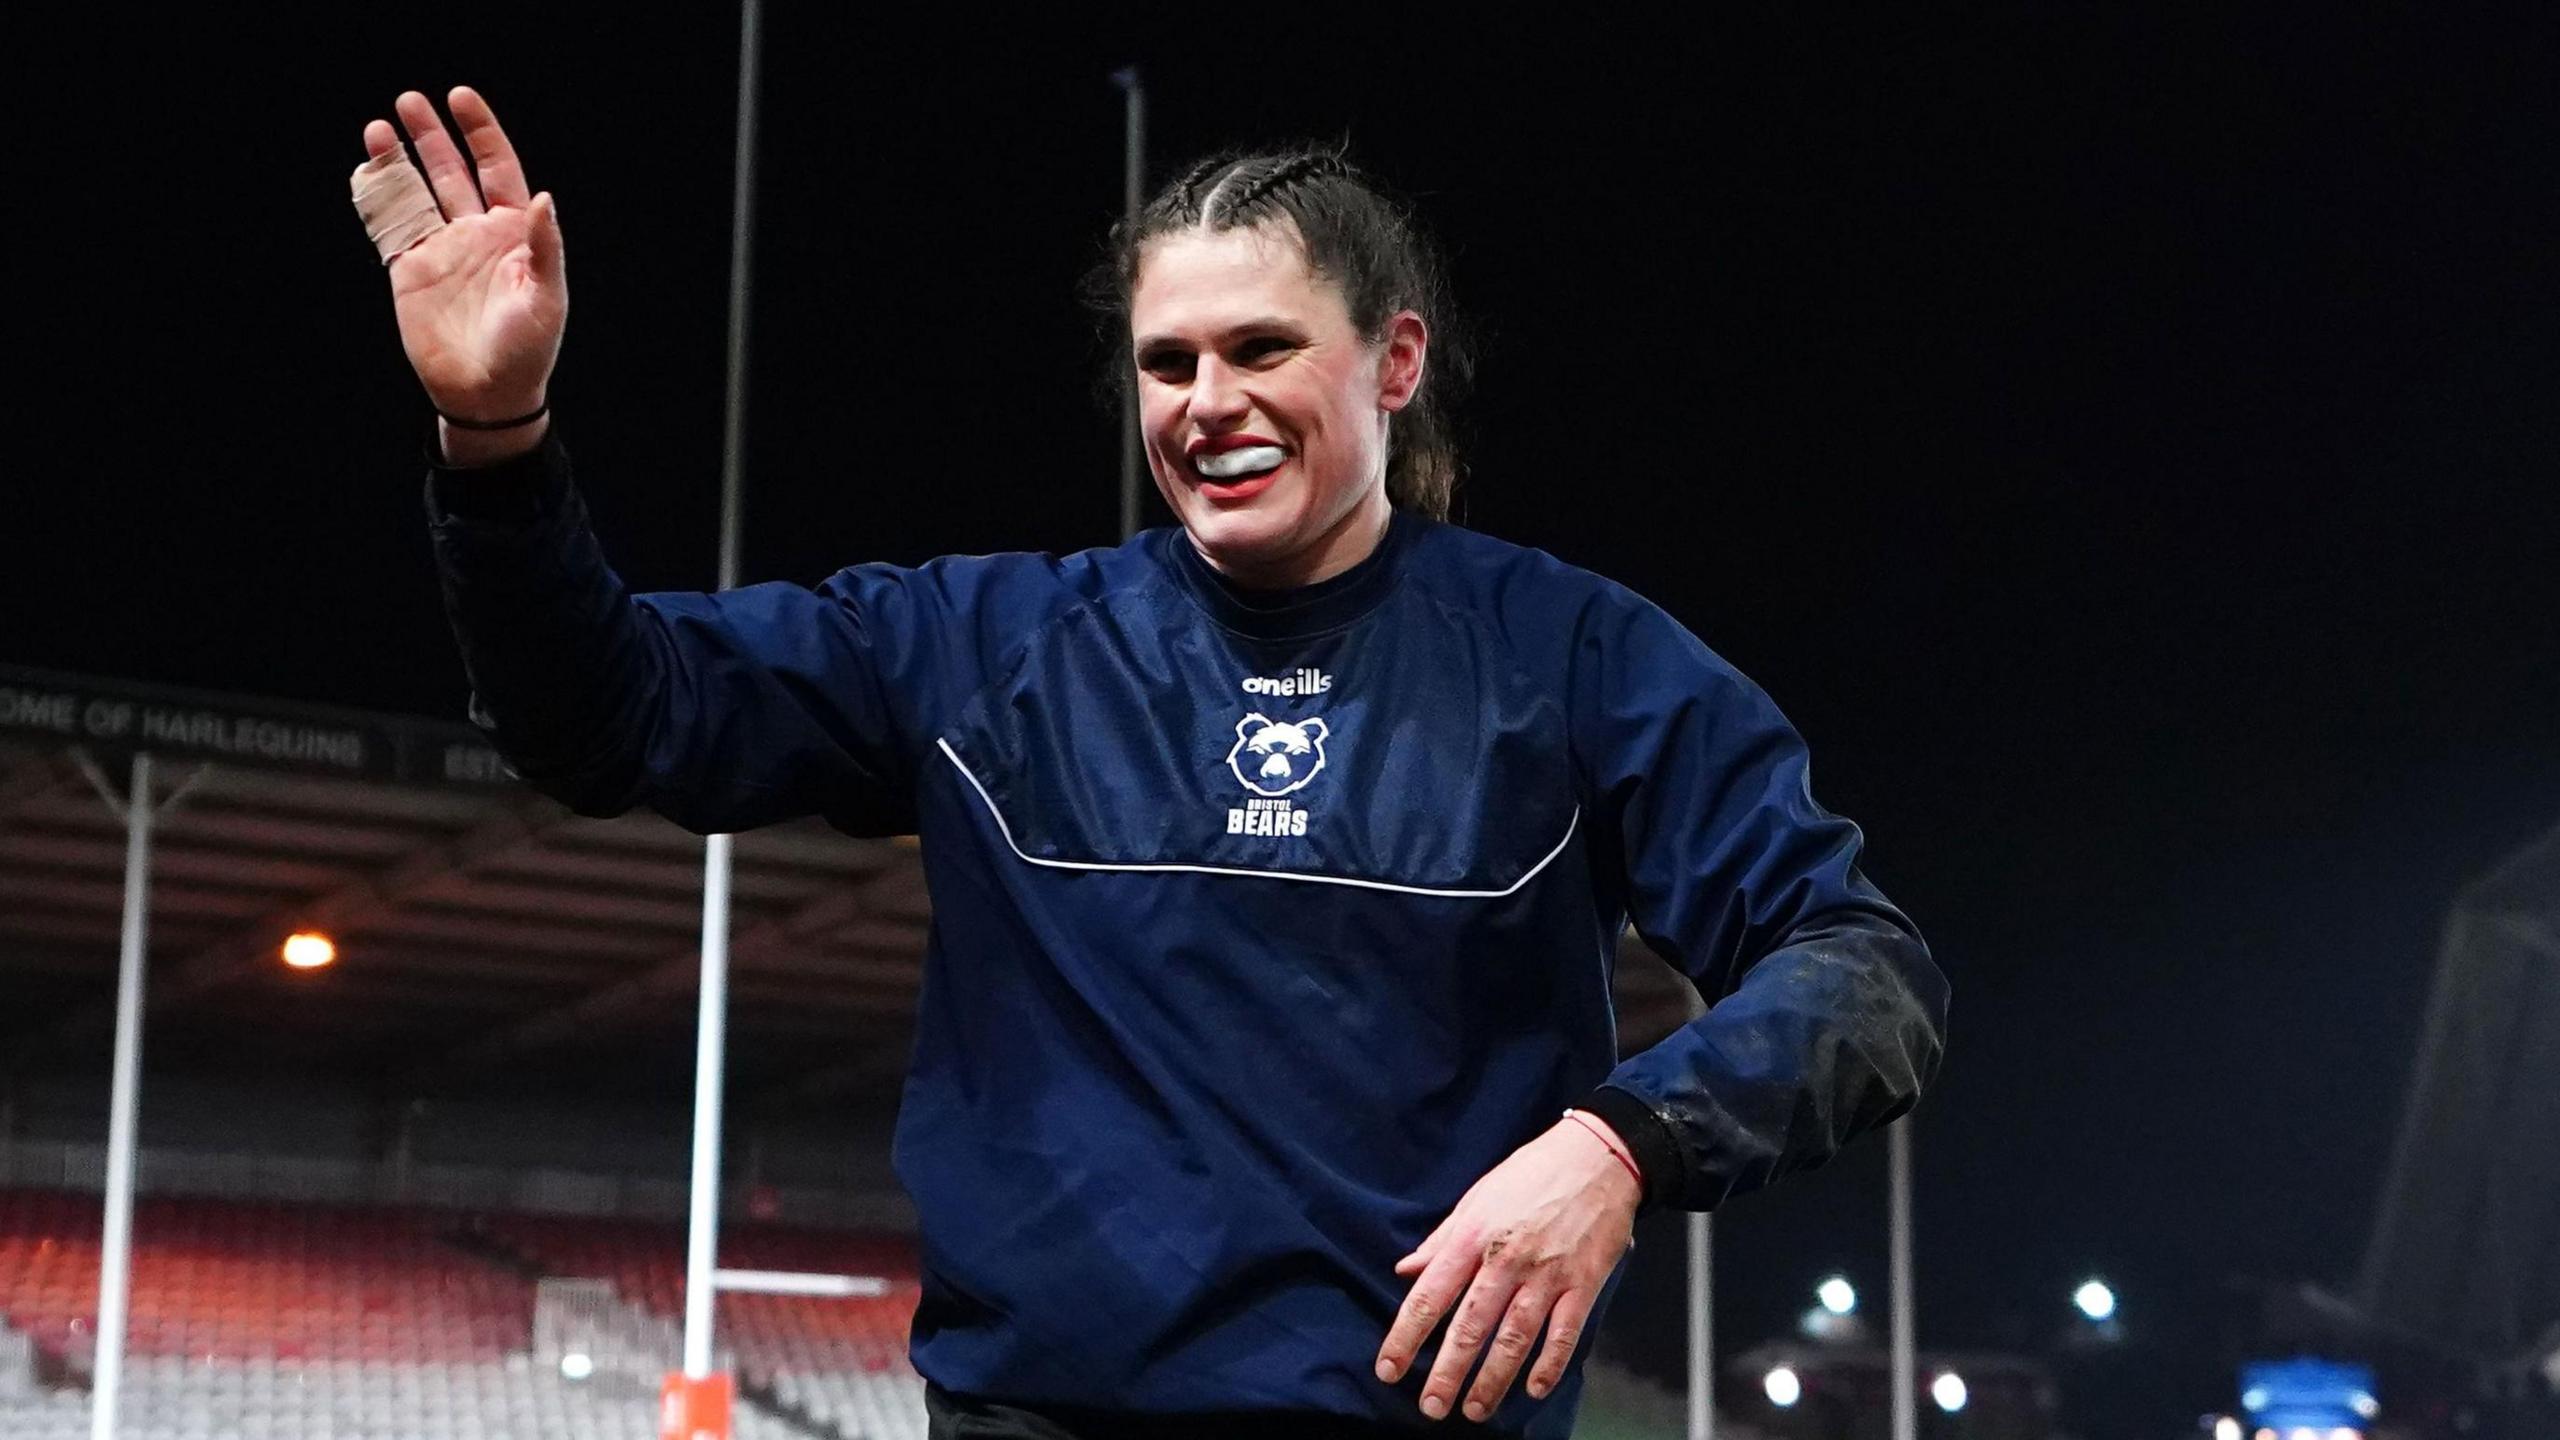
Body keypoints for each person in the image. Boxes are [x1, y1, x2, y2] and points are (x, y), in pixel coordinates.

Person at [354, 85, 1949, 1439]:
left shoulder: (1577, 658)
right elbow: (616, 717)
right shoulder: (984, 646)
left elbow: (1865, 970)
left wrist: (1618, 1148)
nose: (1209, 404)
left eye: (1263, 348)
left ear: (1395, 362)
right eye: (1167, 361)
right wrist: (497, 447)